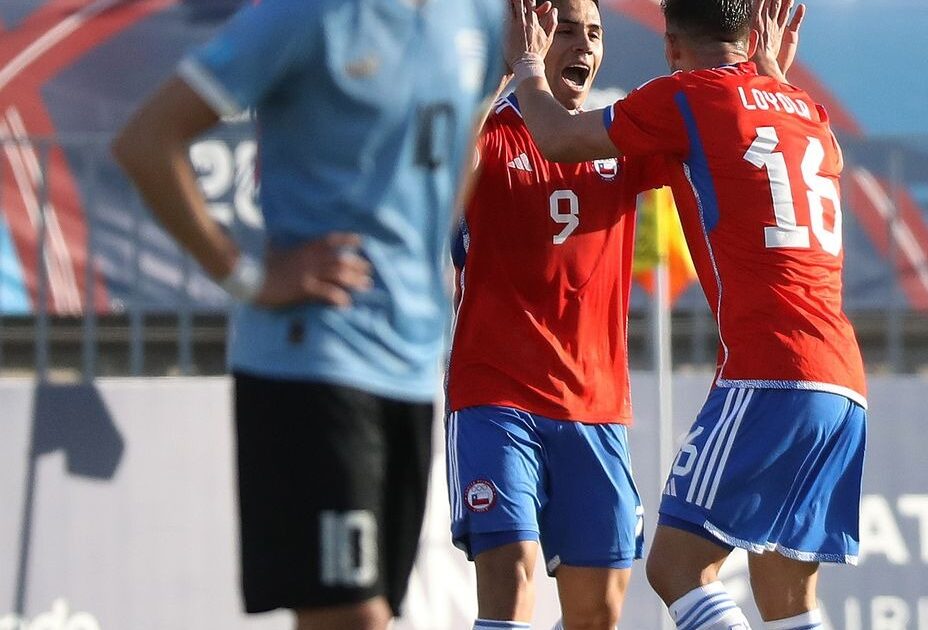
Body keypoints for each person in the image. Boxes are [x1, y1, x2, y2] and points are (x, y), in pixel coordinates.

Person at [111, 0, 506, 628]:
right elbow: (147, 140)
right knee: (353, 616)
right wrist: (246, 275)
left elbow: (464, 138)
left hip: (409, 363)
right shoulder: (305, 13)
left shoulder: (474, 16)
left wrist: (424, 250)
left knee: (352, 612)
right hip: (312, 356)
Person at [503, 0, 867, 628]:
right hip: (843, 384)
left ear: (671, 47)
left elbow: (559, 140)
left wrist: (529, 64)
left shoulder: (686, 96)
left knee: (675, 567)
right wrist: (772, 75)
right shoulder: (809, 112)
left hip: (769, 370)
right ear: (753, 34)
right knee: (787, 594)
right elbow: (774, 141)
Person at [444, 0, 664, 627]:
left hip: (596, 408)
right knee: (510, 575)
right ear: (528, 33)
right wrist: (504, 75)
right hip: (497, 397)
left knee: (597, 613)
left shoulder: (618, 137)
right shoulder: (491, 129)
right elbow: (433, 183)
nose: (584, 47)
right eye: (565, 29)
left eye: (594, 33)